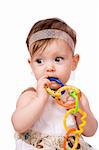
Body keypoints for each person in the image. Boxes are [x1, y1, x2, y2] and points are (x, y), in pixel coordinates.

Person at [12, 18, 98, 150]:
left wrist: (79, 110)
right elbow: (18, 125)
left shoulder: (76, 96)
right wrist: (40, 99)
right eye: (40, 61)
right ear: (31, 65)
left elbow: (91, 131)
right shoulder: (30, 95)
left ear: (74, 62)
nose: (49, 68)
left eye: (58, 59)